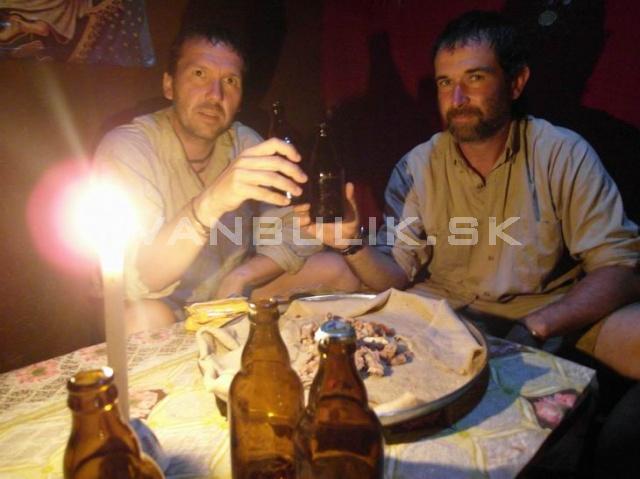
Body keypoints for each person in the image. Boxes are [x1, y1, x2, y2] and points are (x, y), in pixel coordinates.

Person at [297, 10, 640, 379]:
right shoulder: (417, 166)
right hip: (444, 310)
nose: (457, 97)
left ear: (515, 83)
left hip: (545, 311)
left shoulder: (562, 153)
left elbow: (619, 266)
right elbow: (394, 275)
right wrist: (351, 244)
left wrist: (539, 324)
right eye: (445, 83)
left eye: (475, 77)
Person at [95, 22, 358, 333]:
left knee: (335, 270)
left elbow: (296, 233)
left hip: (230, 295)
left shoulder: (244, 141)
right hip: (165, 305)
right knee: (144, 317)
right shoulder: (128, 148)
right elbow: (139, 277)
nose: (215, 94)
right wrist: (210, 203)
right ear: (169, 85)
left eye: (230, 81)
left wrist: (242, 276)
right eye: (199, 74)